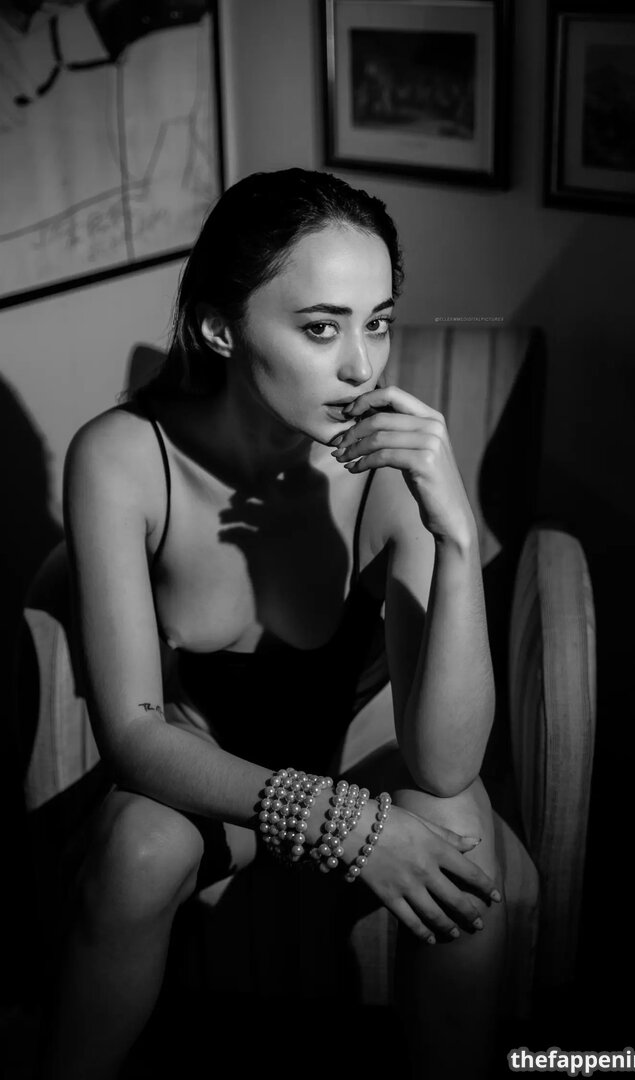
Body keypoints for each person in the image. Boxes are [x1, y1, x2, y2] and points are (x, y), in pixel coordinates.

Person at [42, 167, 505, 1078]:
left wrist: (454, 537)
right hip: (208, 749)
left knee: (457, 831)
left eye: (378, 322)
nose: (363, 367)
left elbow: (446, 763)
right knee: (136, 850)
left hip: (363, 745)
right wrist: (337, 823)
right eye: (322, 327)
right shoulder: (124, 457)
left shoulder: (385, 463)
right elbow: (133, 736)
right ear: (222, 328)